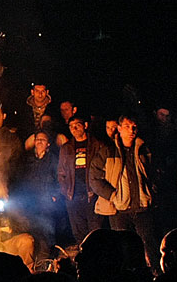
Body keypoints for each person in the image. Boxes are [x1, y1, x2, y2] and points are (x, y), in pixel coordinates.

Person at [90, 115, 156, 270]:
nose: (131, 130)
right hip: (119, 209)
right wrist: (112, 195)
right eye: (127, 126)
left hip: (142, 207)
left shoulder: (143, 149)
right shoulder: (108, 151)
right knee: (123, 248)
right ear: (119, 129)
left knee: (149, 245)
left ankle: (153, 275)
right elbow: (94, 177)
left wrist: (151, 190)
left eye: (134, 127)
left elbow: (155, 173)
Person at [58, 115, 103, 245]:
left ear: (85, 126)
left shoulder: (96, 145)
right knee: (79, 233)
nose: (74, 128)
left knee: (95, 233)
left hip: (92, 195)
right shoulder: (66, 148)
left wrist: (98, 191)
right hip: (73, 196)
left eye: (77, 125)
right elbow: (61, 172)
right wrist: (66, 191)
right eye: (71, 126)